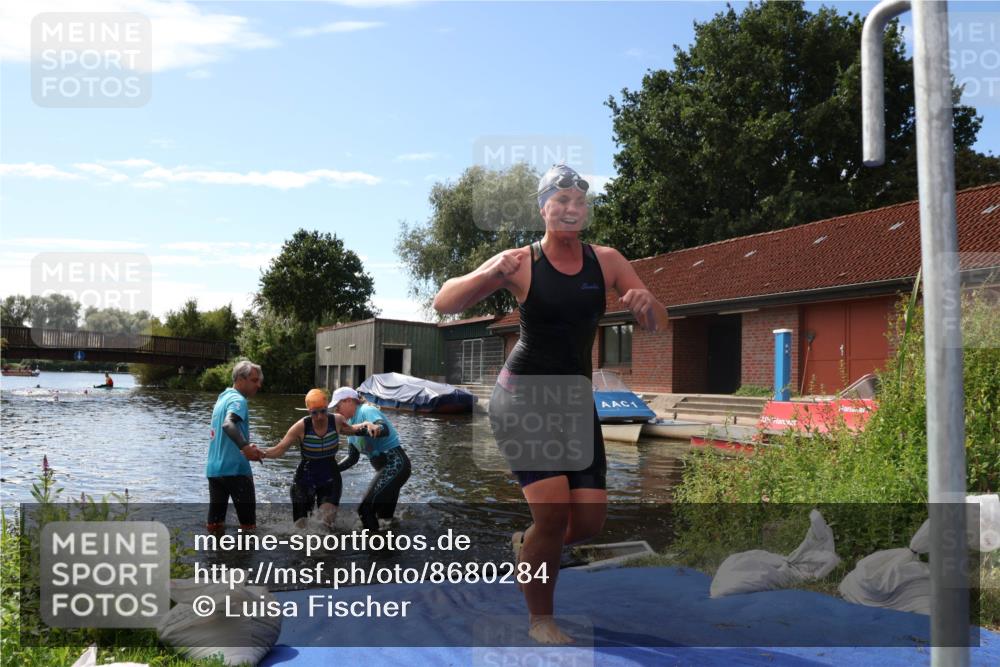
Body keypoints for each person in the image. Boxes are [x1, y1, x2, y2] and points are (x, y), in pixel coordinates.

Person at [432, 164, 668, 644]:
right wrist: (489, 272)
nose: (570, 208)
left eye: (579, 202)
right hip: (523, 398)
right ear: (543, 208)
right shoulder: (520, 261)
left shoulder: (606, 260)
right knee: (553, 513)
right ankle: (541, 619)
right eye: (560, 201)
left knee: (589, 520)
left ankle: (529, 546)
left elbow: (658, 322)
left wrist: (647, 305)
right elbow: (444, 303)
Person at [262, 388, 375, 528]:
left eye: (323, 411)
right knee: (300, 528)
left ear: (327, 408)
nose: (320, 416)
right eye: (314, 413)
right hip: (305, 478)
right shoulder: (301, 427)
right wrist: (260, 453)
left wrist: (367, 424)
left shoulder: (337, 420)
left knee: (325, 525)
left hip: (330, 477)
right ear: (309, 411)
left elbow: (353, 429)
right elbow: (279, 450)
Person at [331, 387, 412, 532]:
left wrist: (370, 427)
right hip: (386, 471)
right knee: (384, 519)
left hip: (396, 465)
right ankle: (387, 550)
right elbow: (352, 458)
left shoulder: (365, 410)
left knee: (364, 509)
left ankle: (374, 548)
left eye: (338, 406)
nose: (336, 411)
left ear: (349, 401)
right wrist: (331, 470)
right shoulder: (350, 425)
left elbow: (383, 428)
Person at [206, 360, 264, 531]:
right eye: (254, 380)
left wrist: (245, 442)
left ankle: (214, 556)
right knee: (248, 528)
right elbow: (228, 424)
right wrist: (245, 447)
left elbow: (226, 432)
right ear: (240, 379)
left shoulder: (222, 398)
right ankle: (244, 558)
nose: (258, 385)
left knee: (214, 525)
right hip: (236, 471)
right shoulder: (239, 400)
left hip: (215, 471)